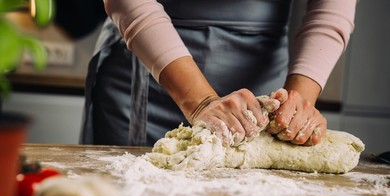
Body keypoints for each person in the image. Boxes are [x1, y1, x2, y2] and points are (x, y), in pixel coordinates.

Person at [80, 0, 357, 147]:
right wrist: (200, 101)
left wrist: (297, 102)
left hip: (262, 77)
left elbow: (330, 7)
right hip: (148, 69)